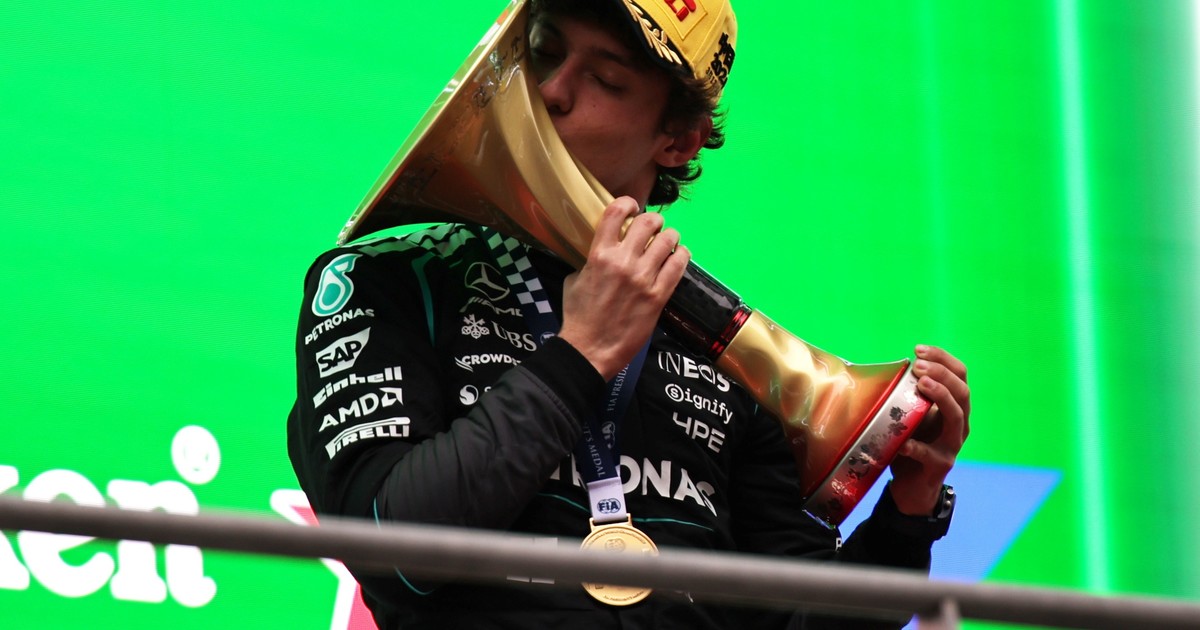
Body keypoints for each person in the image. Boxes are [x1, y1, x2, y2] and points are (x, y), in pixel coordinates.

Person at [287, 1, 971, 628]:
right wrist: (579, 355)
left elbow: (794, 621)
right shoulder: (389, 280)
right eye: (544, 51)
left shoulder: (730, 357)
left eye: (606, 79)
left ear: (679, 140)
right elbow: (392, 549)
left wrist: (906, 514)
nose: (552, 90)